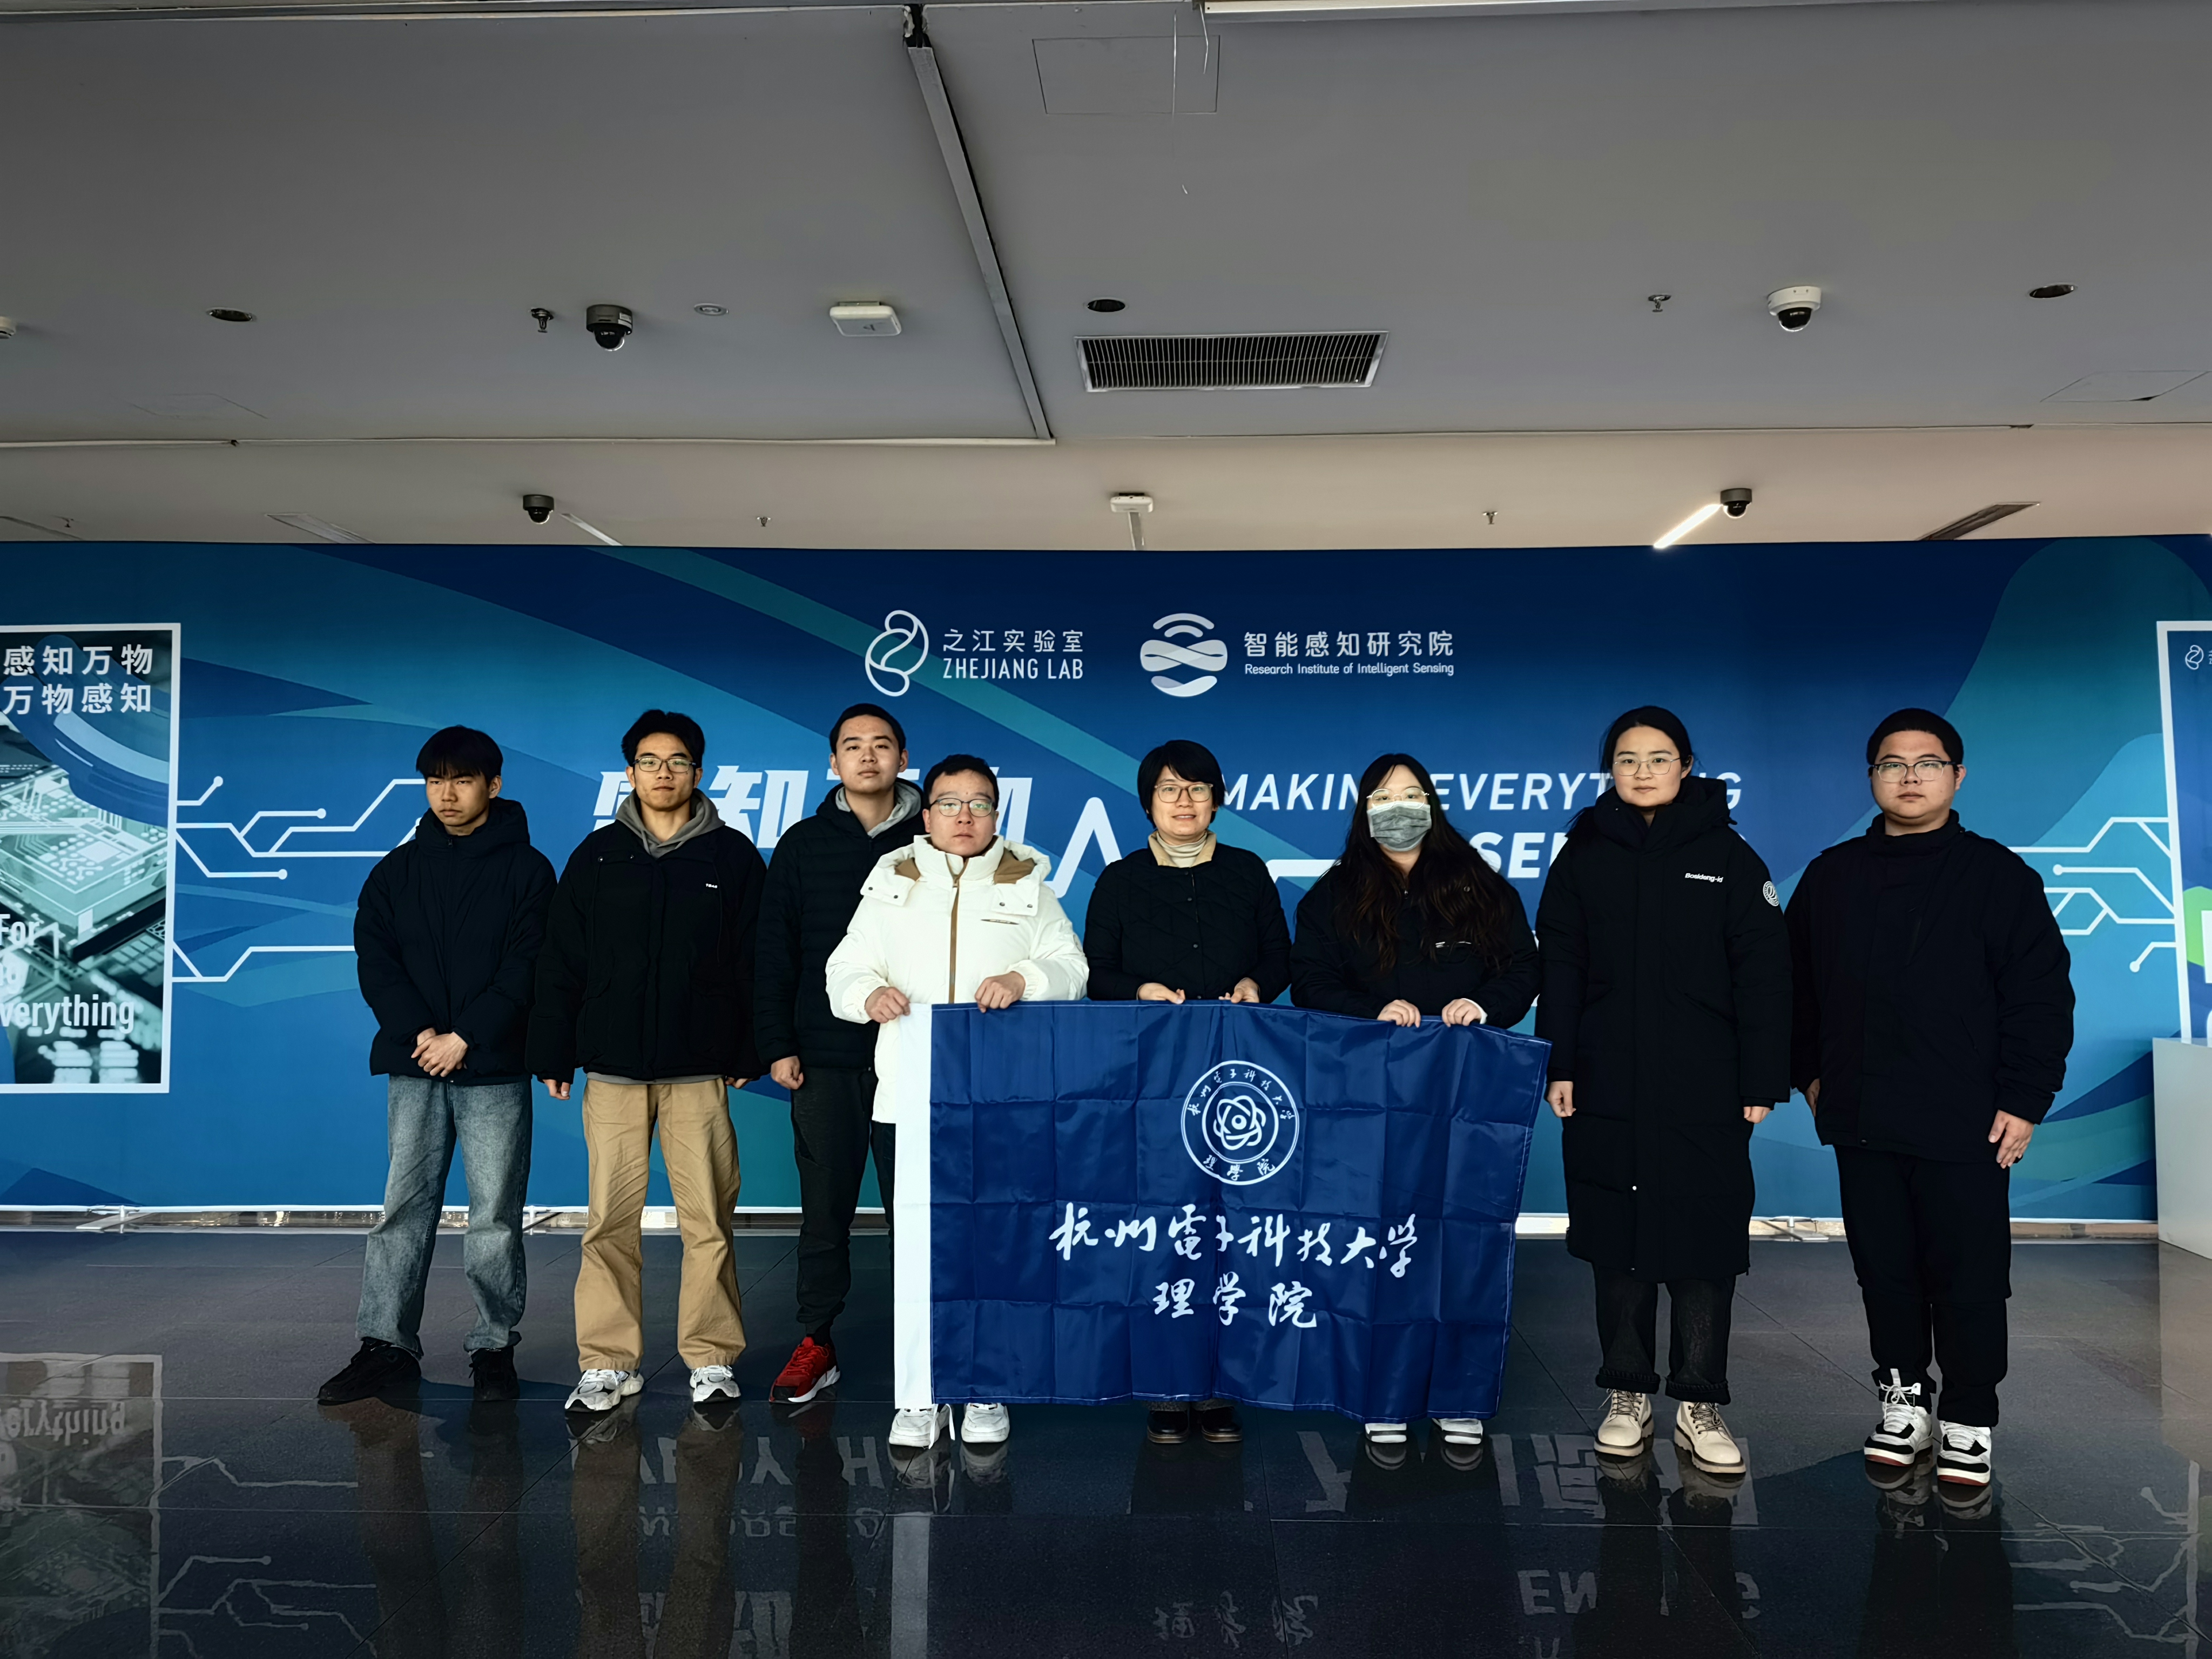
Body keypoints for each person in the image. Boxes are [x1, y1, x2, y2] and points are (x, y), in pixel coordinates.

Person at [1787, 709, 2073, 1488]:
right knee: (1884, 1269)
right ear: (1871, 778)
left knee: (1969, 1275)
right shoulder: (1832, 876)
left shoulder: (1998, 876)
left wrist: (2025, 1098)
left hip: (1968, 1119)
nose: (1909, 777)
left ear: (1957, 776)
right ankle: (1903, 1399)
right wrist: (1809, 1076)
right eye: (1892, 764)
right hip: (1863, 1116)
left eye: (1927, 763)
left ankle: (1970, 1415)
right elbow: (1793, 990)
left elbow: (2040, 997)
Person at [1534, 706, 1791, 1478]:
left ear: (1685, 766)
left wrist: (1761, 1078)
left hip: (1706, 1083)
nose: (1642, 771)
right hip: (1606, 1079)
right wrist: (1560, 1065)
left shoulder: (1728, 856)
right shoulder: (1583, 855)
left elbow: (1764, 974)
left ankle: (1699, 1402)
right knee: (1616, 1235)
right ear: (1609, 770)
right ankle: (1627, 1394)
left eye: (1657, 757)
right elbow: (1562, 967)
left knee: (1704, 1238)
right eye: (1627, 759)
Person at [824, 753, 1090, 1455]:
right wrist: (867, 994)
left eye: (979, 805)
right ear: (927, 812)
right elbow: (844, 968)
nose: (964, 817)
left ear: (997, 814)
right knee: (916, 1249)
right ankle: (918, 1395)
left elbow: (1072, 968)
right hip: (910, 1098)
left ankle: (984, 1385)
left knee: (992, 1245)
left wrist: (1023, 977)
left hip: (1000, 1103)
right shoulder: (892, 879)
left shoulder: (1028, 882)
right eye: (949, 803)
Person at [1290, 751, 1540, 1458]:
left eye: (1410, 794)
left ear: (1431, 804)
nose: (1397, 807)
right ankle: (1385, 1397)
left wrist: (1483, 1004)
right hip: (1370, 1098)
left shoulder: (1479, 887)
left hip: (1463, 1093)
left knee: (1462, 1241)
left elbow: (1523, 967)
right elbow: (1309, 981)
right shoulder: (1333, 896)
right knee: (1379, 1244)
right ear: (1363, 811)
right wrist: (1372, 1009)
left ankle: (1459, 1396)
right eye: (1382, 797)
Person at [528, 710, 767, 1414]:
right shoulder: (598, 856)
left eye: (678, 761)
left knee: (709, 1220)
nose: (664, 773)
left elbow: (756, 961)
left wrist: (749, 1045)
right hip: (614, 1072)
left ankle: (712, 1357)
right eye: (650, 761)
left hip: (699, 1071)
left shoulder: (731, 857)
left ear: (699, 772)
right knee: (609, 1221)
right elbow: (562, 958)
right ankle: (608, 1363)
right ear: (630, 772)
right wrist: (554, 1049)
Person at [321, 726, 555, 1406]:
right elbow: (377, 961)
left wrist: (467, 1037)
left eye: (462, 780)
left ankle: (494, 1348)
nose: (447, 794)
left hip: (493, 1067)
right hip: (417, 1061)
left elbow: (529, 964)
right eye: (435, 781)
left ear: (493, 785)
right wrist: (423, 1034)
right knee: (403, 1208)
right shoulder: (396, 871)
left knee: (496, 1216)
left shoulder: (529, 871)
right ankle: (385, 1346)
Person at [1084, 738, 1291, 1447]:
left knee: (1231, 1228)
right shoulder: (1121, 879)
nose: (1184, 800)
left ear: (1216, 801)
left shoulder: (1246, 870)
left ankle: (1220, 1384)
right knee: (1163, 1228)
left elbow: (1279, 956)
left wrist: (1256, 983)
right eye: (1170, 788)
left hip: (1237, 1075)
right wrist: (1139, 989)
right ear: (1148, 801)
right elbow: (1095, 972)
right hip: (1153, 1076)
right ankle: (1166, 1386)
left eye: (1198, 789)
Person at [755, 703, 923, 1408]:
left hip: (915, 1057)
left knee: (918, 1213)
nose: (867, 756)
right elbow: (775, 950)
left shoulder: (935, 836)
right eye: (853, 746)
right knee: (825, 1213)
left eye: (881, 745)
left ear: (902, 759)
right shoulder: (802, 844)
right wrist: (778, 1044)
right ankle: (816, 1341)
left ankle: (928, 1348)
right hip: (824, 1058)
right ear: (833, 762)